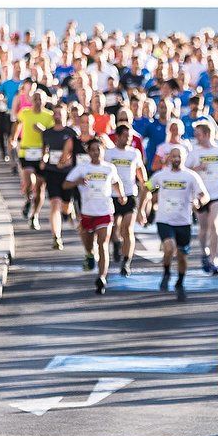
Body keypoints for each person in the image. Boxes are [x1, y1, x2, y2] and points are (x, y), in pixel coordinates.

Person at [63, 137, 126, 294]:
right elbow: (65, 184)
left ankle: (102, 277)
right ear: (88, 152)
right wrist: (77, 181)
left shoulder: (109, 168)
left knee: (103, 244)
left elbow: (116, 182)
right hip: (87, 213)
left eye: (99, 149)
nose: (96, 152)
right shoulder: (82, 168)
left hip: (105, 211)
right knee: (89, 244)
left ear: (103, 151)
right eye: (93, 150)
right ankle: (89, 254)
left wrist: (121, 195)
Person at [148, 146, 209, 301]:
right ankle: (167, 271)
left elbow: (204, 195)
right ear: (169, 158)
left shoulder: (191, 176)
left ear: (184, 158)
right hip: (164, 219)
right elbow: (147, 187)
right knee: (169, 248)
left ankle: (180, 282)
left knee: (182, 256)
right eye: (173, 156)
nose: (176, 159)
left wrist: (198, 202)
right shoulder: (161, 175)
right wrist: (143, 208)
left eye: (179, 156)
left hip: (183, 221)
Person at [186, 120, 218, 276]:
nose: (196, 137)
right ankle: (204, 253)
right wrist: (197, 168)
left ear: (207, 134)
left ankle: (215, 260)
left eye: (198, 134)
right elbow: (186, 170)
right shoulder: (194, 152)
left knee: (214, 223)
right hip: (201, 194)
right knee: (203, 228)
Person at [106, 124, 149, 276]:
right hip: (111, 195)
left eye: (130, 137)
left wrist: (147, 187)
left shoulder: (134, 153)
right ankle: (116, 243)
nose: (128, 139)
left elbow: (141, 174)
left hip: (130, 194)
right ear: (117, 136)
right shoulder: (108, 153)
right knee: (112, 229)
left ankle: (126, 262)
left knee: (127, 228)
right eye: (125, 136)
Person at [12, 87, 54, 229]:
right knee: (29, 180)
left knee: (40, 187)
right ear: (31, 100)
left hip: (41, 153)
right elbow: (17, 123)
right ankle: (28, 198)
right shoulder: (25, 113)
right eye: (35, 99)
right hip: (26, 152)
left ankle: (35, 215)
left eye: (40, 99)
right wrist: (13, 138)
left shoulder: (49, 116)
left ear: (44, 101)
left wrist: (43, 130)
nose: (37, 102)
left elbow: (51, 136)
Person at [40, 103, 79, 250]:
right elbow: (44, 150)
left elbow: (76, 154)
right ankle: (56, 236)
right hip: (52, 171)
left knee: (65, 206)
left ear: (65, 115)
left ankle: (69, 211)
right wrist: (43, 160)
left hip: (68, 173)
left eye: (60, 113)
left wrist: (67, 161)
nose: (57, 116)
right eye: (55, 113)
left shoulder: (71, 132)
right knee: (54, 203)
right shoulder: (47, 133)